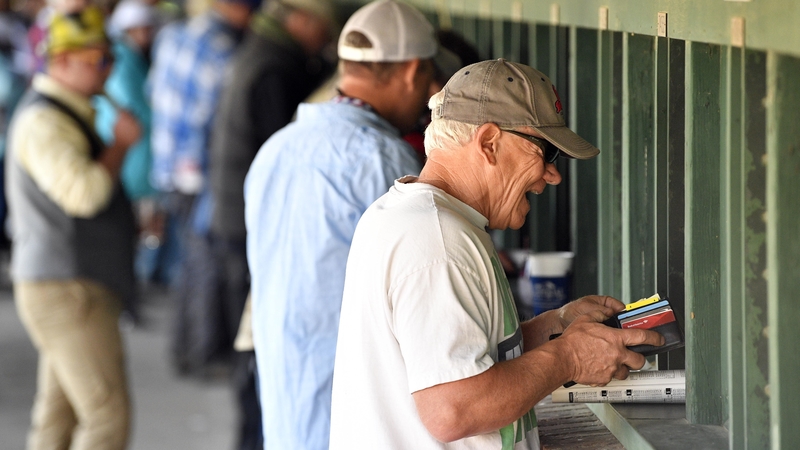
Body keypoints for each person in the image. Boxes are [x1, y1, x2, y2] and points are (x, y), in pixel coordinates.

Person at [329, 59, 665, 449]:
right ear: (489, 143)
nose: (551, 175)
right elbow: (454, 409)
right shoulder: (439, 240)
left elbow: (453, 358)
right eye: (545, 153)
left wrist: (553, 326)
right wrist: (569, 357)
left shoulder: (412, 216)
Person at [244, 0, 453, 447]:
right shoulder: (383, 157)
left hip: (285, 400)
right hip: (351, 410)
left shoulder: (276, 148)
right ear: (415, 72)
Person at [5, 6, 141, 450]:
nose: (109, 69)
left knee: (57, 416)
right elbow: (84, 195)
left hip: (70, 284)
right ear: (60, 62)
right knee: (106, 416)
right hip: (67, 289)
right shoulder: (44, 120)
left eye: (110, 59)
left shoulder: (67, 112)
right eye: (97, 60)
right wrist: (120, 147)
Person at [208, 0, 335, 447]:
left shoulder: (262, 53)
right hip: (248, 230)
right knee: (260, 356)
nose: (326, 35)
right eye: (324, 25)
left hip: (235, 220)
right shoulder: (274, 68)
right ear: (299, 20)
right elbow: (283, 149)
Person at [148, 0, 260, 376]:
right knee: (203, 262)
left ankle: (183, 347)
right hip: (200, 171)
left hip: (169, 166)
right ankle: (199, 354)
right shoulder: (225, 51)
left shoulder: (174, 35)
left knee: (188, 259)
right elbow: (223, 120)